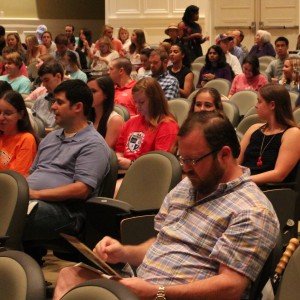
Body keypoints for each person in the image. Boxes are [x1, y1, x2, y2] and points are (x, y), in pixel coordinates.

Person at [53, 111, 279, 300]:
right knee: (69, 276)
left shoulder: (252, 210)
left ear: (224, 154)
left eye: (193, 160)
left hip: (170, 295)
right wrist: (124, 252)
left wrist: (159, 292)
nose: (186, 169)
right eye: (183, 159)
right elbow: (162, 242)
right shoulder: (188, 186)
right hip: (143, 286)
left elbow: (231, 287)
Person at [23, 79, 110, 245]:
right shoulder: (50, 138)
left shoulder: (93, 144)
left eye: (59, 102)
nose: (53, 107)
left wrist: (35, 194)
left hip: (67, 212)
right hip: (32, 201)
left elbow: (81, 189)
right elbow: (32, 174)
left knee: (11, 214)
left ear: (77, 107)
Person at [238, 83, 300, 185]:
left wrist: (242, 181)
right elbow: (236, 163)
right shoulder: (253, 129)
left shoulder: (292, 134)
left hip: (267, 191)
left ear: (272, 105)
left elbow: (279, 175)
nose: (256, 106)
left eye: (259, 101)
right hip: (243, 184)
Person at [115, 77, 178, 170]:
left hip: (148, 174)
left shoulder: (167, 126)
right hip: (124, 171)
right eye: (135, 102)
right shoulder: (131, 123)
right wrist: (118, 159)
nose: (137, 106)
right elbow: (119, 150)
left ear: (155, 101)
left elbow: (159, 163)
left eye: (141, 102)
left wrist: (131, 164)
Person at [0, 90, 38, 176]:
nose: (1, 118)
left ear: (20, 114)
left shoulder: (26, 139)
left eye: (7, 113)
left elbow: (17, 178)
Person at [87, 76, 124, 149]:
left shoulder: (115, 120)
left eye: (93, 91)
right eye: (87, 91)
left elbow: (104, 152)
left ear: (106, 94)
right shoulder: (85, 116)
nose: (88, 95)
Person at [31, 60, 64, 128]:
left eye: (46, 80)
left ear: (58, 76)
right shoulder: (40, 99)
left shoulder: (69, 102)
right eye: (42, 81)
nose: (44, 84)